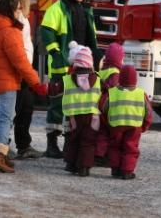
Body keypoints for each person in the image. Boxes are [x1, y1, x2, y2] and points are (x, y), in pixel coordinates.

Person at [0, 0, 46, 173]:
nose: (19, 13)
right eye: (17, 10)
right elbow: (21, 62)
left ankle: (2, 153)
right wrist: (36, 82)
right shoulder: (10, 31)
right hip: (7, 82)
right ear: (9, 11)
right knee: (5, 119)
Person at [40, 0, 100, 158]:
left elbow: (92, 38)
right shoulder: (57, 9)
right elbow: (46, 33)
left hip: (82, 67)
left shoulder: (87, 10)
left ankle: (68, 144)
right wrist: (57, 55)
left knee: (75, 108)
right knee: (57, 105)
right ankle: (52, 145)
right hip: (62, 67)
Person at [9, 0, 44, 159]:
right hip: (19, 71)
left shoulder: (19, 16)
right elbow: (17, 48)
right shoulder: (17, 18)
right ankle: (7, 146)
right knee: (14, 109)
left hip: (22, 70)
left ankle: (23, 144)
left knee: (25, 107)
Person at [99, 65, 153, 180]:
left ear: (120, 78)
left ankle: (115, 169)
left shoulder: (111, 93)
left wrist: (106, 123)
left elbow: (103, 108)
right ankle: (127, 171)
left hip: (115, 125)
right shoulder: (141, 94)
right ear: (135, 79)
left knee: (114, 146)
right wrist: (145, 126)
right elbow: (148, 112)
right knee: (130, 148)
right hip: (135, 126)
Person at [62, 47, 101, 177]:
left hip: (74, 117)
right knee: (88, 142)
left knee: (74, 140)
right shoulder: (98, 79)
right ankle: (84, 167)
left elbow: (54, 90)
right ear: (90, 64)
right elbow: (106, 93)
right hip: (92, 117)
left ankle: (71, 164)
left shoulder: (68, 80)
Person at [95, 43, 124, 166]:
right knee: (108, 133)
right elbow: (114, 89)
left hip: (97, 105)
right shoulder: (115, 72)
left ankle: (97, 154)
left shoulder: (101, 71)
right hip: (109, 107)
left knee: (101, 132)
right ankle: (103, 156)